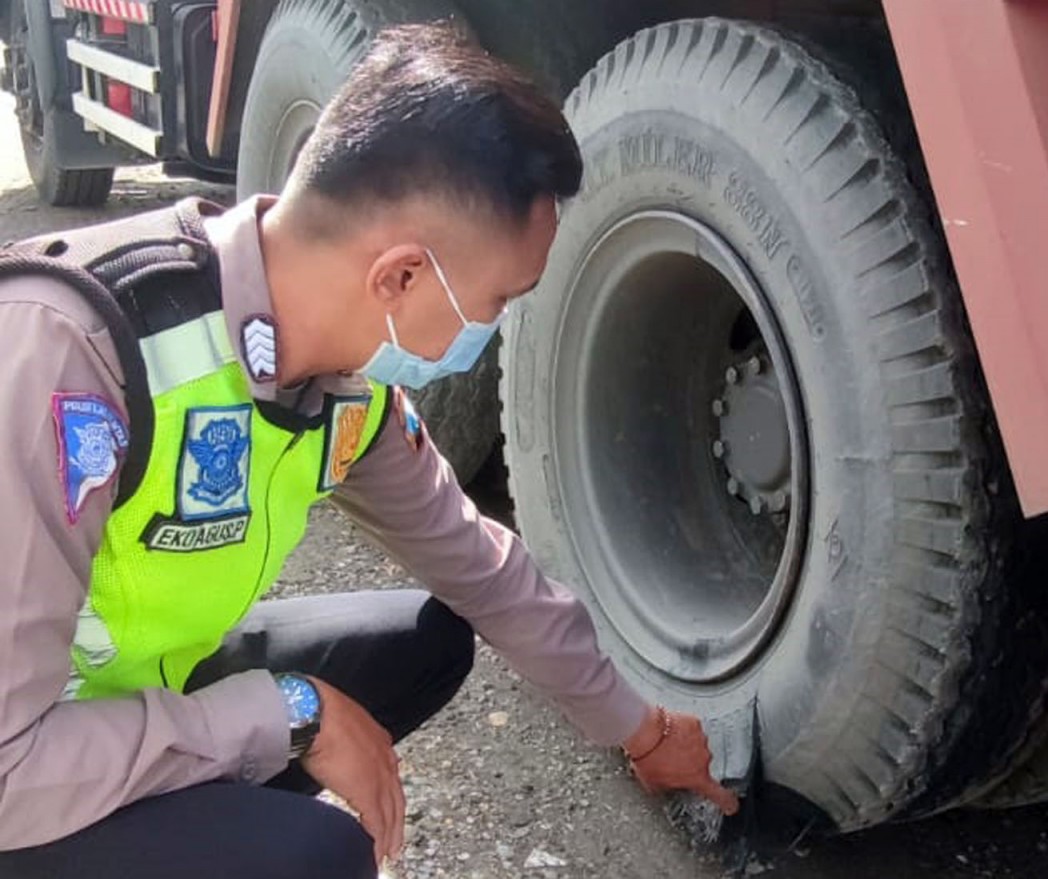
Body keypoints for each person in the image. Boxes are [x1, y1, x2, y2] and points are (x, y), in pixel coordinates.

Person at [0, 23, 738, 879]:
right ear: (399, 276)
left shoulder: (337, 389)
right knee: (318, 855)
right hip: (24, 767)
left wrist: (641, 730)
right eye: (498, 299)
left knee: (429, 639)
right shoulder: (74, 357)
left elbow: (483, 570)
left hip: (127, 688)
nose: (491, 332)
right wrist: (287, 711)